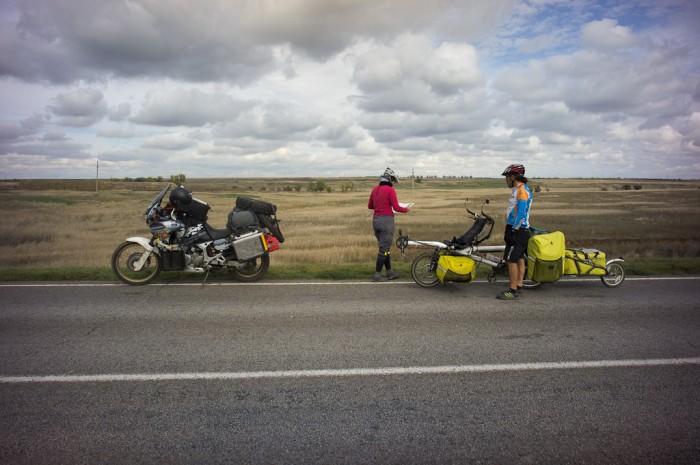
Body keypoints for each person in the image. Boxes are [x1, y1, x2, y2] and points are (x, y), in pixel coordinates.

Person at [368, 167, 410, 281]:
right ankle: (377, 275)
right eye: (394, 181)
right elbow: (396, 207)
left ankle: (390, 272)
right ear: (390, 179)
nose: (394, 183)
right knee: (383, 250)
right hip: (386, 222)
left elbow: (370, 206)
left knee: (385, 248)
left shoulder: (375, 189)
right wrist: (406, 209)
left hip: (376, 221)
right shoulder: (390, 190)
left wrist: (380, 205)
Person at [498, 164, 532, 300]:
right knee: (519, 258)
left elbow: (522, 213)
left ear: (513, 177)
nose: (505, 179)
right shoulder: (518, 190)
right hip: (518, 229)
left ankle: (512, 291)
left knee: (510, 260)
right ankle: (518, 286)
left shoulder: (522, 191)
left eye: (507, 177)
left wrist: (514, 229)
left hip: (517, 230)